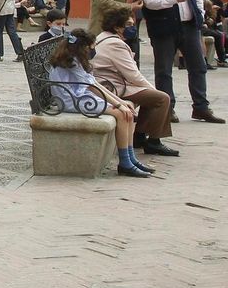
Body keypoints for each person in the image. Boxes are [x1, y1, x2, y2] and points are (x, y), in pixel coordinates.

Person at [47, 27, 153, 177]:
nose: (93, 50)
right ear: (83, 47)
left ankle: (131, 158)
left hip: (81, 96)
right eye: (92, 47)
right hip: (72, 101)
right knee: (122, 114)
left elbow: (93, 83)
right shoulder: (71, 61)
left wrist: (121, 101)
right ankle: (125, 162)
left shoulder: (74, 57)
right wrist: (118, 105)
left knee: (126, 112)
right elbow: (92, 87)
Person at [133, 0, 222, 124]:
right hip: (163, 29)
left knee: (198, 66)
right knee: (164, 70)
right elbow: (150, 3)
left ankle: (201, 107)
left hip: (189, 27)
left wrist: (200, 13)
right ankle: (168, 109)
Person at [92, 7, 177, 157]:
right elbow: (133, 75)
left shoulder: (103, 37)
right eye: (129, 25)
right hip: (112, 88)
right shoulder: (115, 44)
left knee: (150, 97)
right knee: (162, 99)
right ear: (117, 27)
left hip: (108, 84)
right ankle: (153, 142)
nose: (133, 28)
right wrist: (153, 90)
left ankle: (139, 136)